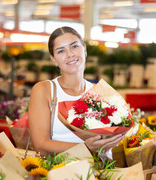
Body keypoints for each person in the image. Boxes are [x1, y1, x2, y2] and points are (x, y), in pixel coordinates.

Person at [28, 26, 124, 156]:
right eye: (61, 51)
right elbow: (40, 144)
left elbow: (108, 136)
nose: (70, 54)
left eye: (74, 46)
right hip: (59, 172)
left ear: (84, 49)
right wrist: (85, 147)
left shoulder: (100, 92)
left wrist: (116, 137)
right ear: (53, 59)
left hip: (99, 171)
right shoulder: (45, 90)